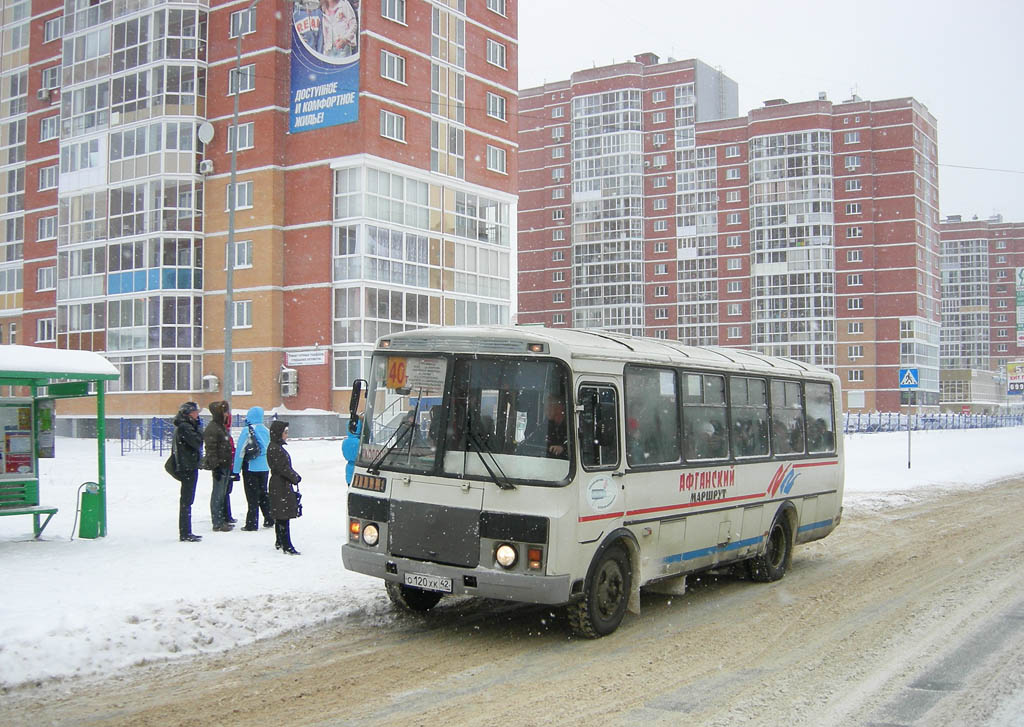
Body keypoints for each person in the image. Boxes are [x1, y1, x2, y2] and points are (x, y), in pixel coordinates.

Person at [232, 406, 272, 531]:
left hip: (251, 467)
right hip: (264, 467)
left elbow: (240, 452)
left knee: (252, 496)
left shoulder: (247, 431)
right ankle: (269, 518)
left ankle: (251, 523)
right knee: (263, 493)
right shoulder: (266, 430)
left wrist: (235, 470)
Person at [267, 420, 302, 555]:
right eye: (285, 432)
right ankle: (286, 544)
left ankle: (280, 541)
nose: (286, 435)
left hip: (280, 484)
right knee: (283, 516)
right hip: (280, 484)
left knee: (281, 514)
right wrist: (295, 477)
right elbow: (282, 468)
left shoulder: (275, 447)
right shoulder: (275, 448)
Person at [172, 401, 203, 542]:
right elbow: (197, 442)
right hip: (187, 466)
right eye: (195, 412)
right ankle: (185, 532)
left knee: (187, 500)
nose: (198, 415)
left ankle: (186, 531)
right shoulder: (185, 427)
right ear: (189, 413)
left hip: (188, 465)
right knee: (186, 500)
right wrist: (199, 428)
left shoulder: (185, 425)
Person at [203, 400, 235, 532]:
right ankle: (217, 522)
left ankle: (222, 519)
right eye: (225, 412)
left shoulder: (220, 426)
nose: (227, 414)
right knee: (218, 493)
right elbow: (211, 450)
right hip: (220, 466)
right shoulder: (213, 428)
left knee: (222, 494)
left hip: (225, 464)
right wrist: (215, 467)